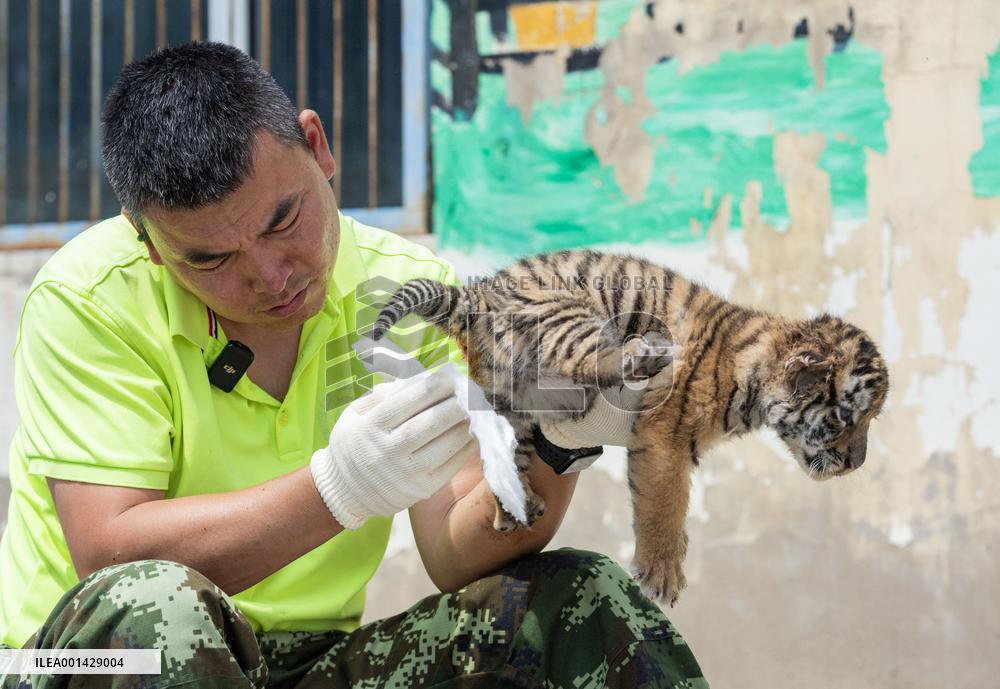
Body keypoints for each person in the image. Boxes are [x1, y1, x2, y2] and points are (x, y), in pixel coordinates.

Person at [0, 42, 708, 688]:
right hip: (85, 658)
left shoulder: (404, 292)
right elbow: (110, 552)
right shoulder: (89, 296)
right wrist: (338, 489)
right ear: (150, 244)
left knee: (575, 602)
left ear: (318, 147)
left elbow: (457, 551)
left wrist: (557, 442)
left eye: (284, 220)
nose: (273, 276)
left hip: (307, 664)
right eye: (210, 259)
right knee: (157, 604)